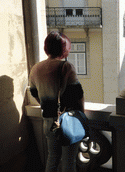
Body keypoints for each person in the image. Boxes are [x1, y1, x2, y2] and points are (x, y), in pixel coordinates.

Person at [29, 31, 84, 172]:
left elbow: (34, 93)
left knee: (52, 158)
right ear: (63, 49)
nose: (69, 50)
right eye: (69, 47)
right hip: (67, 121)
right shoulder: (66, 67)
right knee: (69, 161)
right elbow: (77, 94)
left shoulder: (35, 68)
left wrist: (47, 104)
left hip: (49, 121)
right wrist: (82, 116)